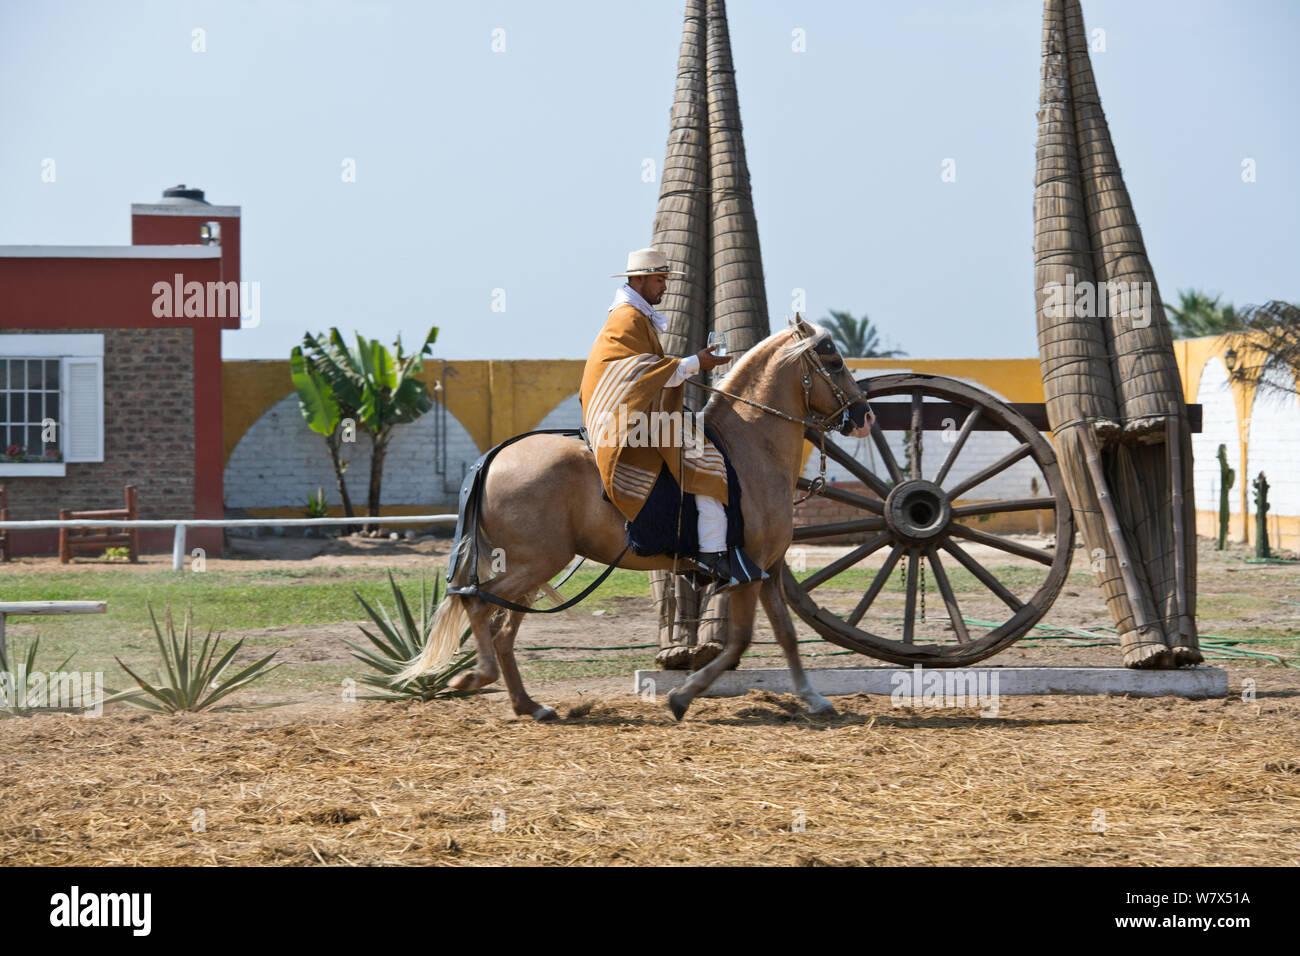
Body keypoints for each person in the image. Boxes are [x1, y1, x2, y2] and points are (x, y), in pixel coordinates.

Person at [580, 248, 738, 584]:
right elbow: (635, 374)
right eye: (659, 279)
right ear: (637, 280)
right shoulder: (628, 318)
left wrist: (691, 365)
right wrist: (697, 362)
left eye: (665, 279)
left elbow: (646, 374)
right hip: (622, 424)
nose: (664, 286)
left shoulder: (637, 316)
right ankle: (711, 553)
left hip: (637, 417)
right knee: (707, 463)